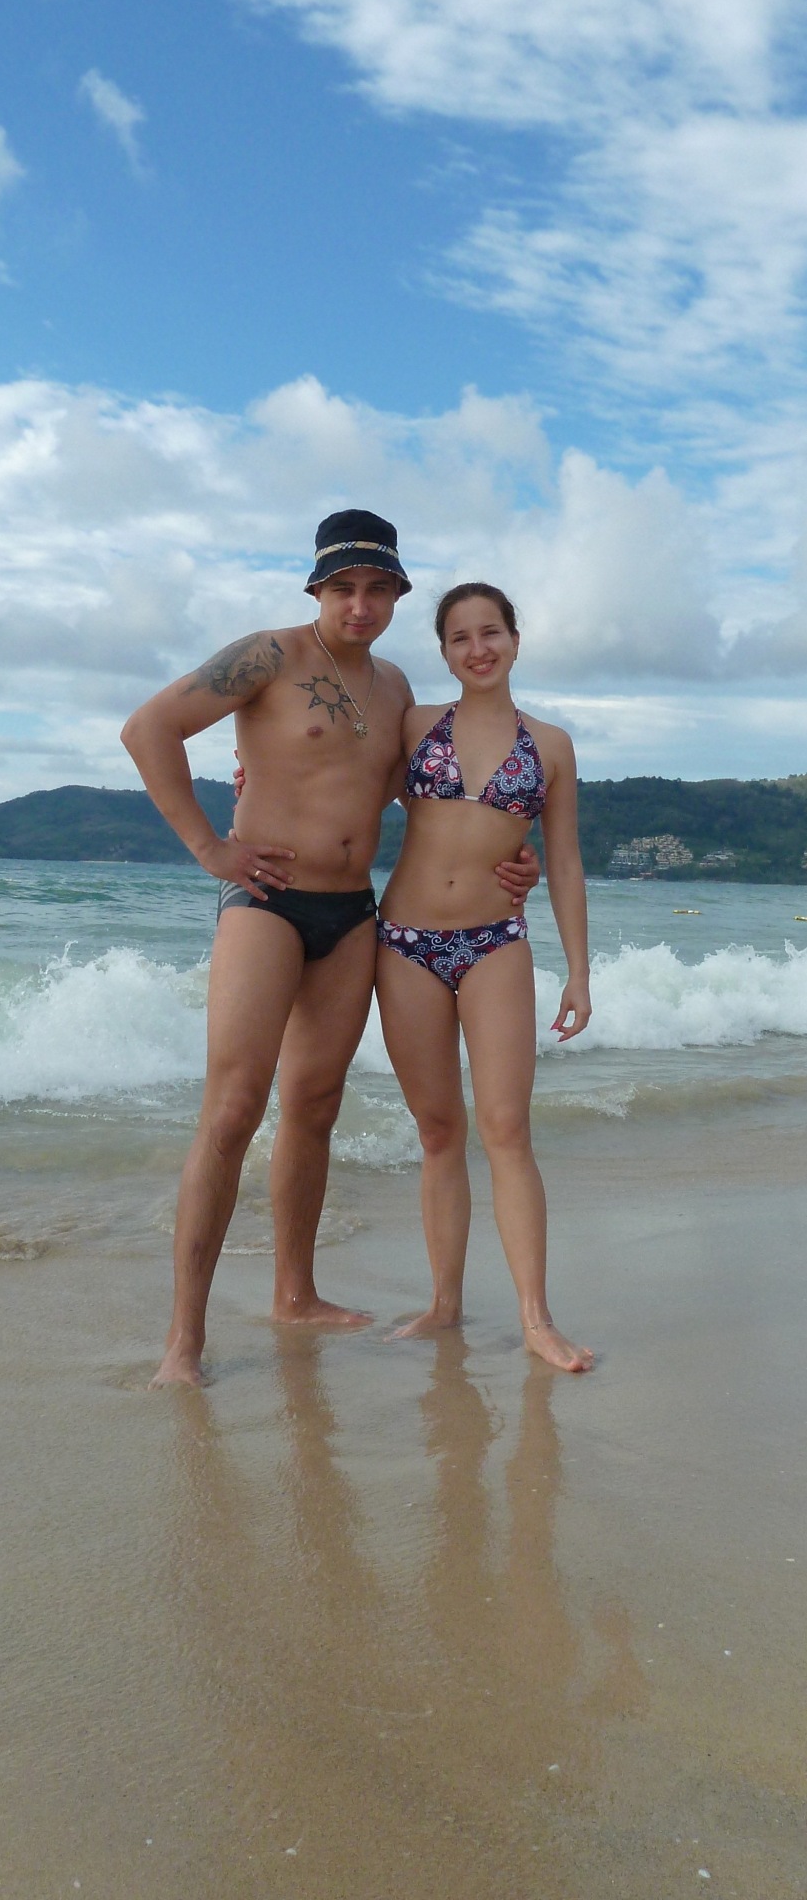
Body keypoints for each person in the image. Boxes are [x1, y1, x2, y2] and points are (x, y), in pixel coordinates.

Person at [120, 511, 539, 1385]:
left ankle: (294, 1293)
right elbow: (148, 728)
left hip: (351, 913)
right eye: (343, 588)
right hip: (265, 902)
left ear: (396, 596)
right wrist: (209, 848)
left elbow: (433, 795)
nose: (359, 605)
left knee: (314, 1105)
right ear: (316, 589)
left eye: (377, 589)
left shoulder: (392, 688)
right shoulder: (267, 656)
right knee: (233, 1110)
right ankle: (182, 1341)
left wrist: (511, 853)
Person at [375, 581, 593, 1371]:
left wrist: (578, 972)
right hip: (404, 943)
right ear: (443, 652)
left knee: (505, 1129)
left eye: (490, 631)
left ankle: (536, 1319)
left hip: (495, 942)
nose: (478, 648)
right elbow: (336, 780)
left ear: (514, 640)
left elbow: (561, 862)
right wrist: (251, 781)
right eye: (460, 637)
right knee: (438, 1132)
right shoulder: (413, 725)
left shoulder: (551, 745)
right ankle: (443, 1303)